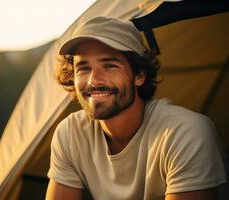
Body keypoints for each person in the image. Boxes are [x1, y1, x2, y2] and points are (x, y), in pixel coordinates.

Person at [45, 16, 226, 200]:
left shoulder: (186, 131)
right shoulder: (71, 133)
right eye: (83, 68)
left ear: (139, 75)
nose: (93, 80)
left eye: (109, 66)